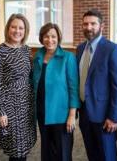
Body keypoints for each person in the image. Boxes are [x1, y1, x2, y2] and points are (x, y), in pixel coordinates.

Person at [76, 9, 117, 161]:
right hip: (85, 113)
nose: (89, 27)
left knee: (107, 155)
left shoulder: (112, 49)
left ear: (101, 26)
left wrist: (114, 117)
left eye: (93, 23)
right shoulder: (80, 49)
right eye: (85, 24)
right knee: (92, 154)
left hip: (105, 116)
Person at [0, 13, 36, 161]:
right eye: (13, 27)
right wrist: (0, 111)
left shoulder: (26, 49)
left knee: (24, 148)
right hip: (10, 107)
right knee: (16, 150)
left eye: (21, 28)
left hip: (26, 106)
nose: (17, 31)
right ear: (8, 28)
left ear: (25, 30)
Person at [32, 23, 80, 161]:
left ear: (59, 38)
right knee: (46, 152)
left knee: (62, 154)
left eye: (53, 36)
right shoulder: (37, 57)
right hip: (42, 112)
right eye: (46, 36)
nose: (50, 40)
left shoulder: (68, 57)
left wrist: (72, 114)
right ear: (41, 38)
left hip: (62, 115)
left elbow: (73, 88)